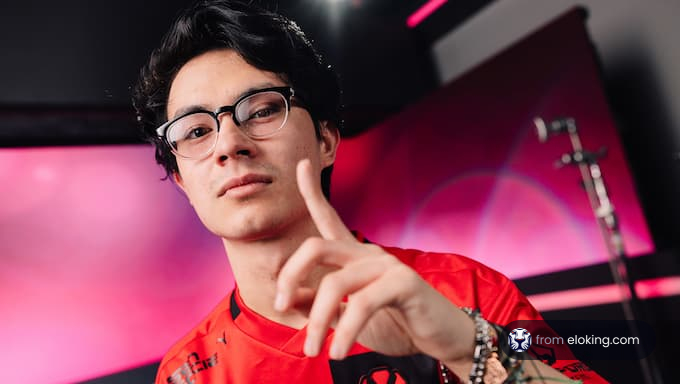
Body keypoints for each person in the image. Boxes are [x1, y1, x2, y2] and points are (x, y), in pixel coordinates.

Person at [133, 1, 608, 383]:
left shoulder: (471, 291)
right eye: (196, 132)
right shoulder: (186, 374)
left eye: (259, 111)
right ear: (182, 182)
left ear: (325, 140)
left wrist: (465, 347)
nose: (230, 144)